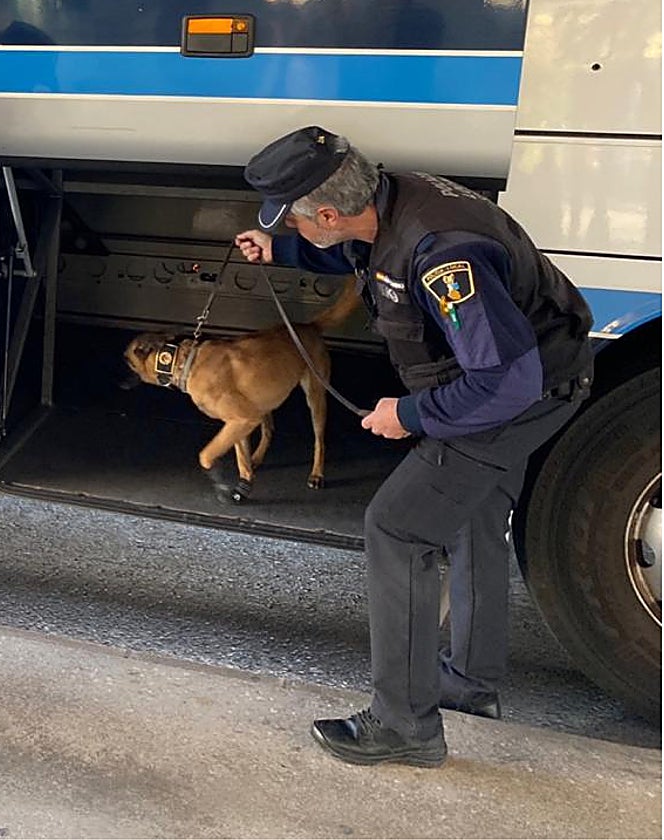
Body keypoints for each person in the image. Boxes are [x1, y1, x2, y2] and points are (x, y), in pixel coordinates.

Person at [235, 126, 593, 766]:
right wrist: (282, 251)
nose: (289, 227)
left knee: (398, 528)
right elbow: (359, 251)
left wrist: (412, 414)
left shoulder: (443, 254)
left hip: (518, 393)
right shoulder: (392, 199)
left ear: (327, 211)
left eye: (290, 220)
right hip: (545, 376)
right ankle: (470, 685)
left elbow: (506, 382)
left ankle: (404, 725)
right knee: (474, 513)